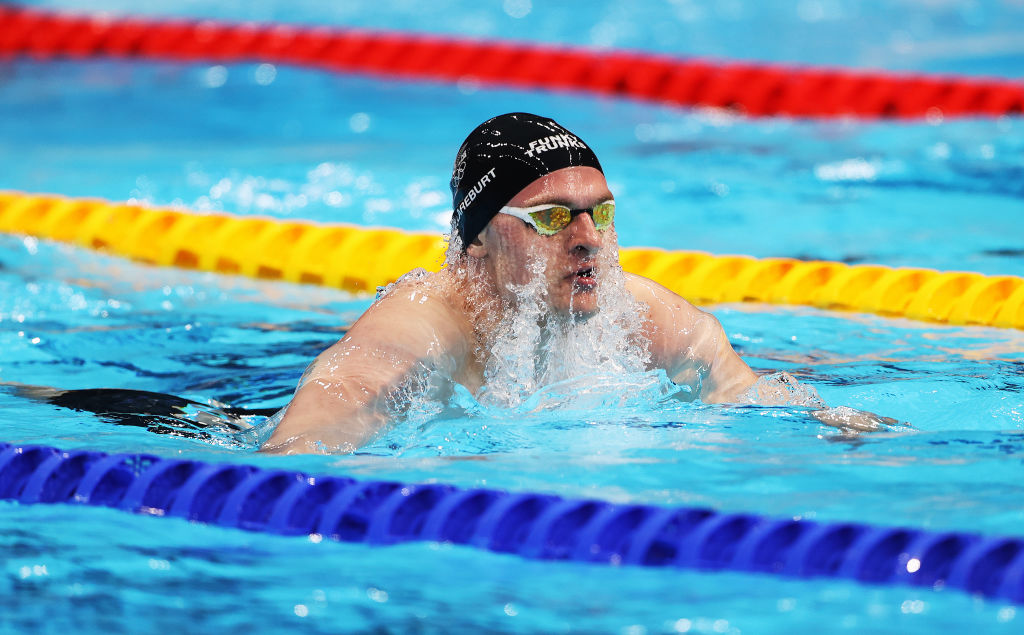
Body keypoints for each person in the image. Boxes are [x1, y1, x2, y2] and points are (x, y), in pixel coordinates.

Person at [263, 112, 893, 454]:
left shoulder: (646, 317)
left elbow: (743, 394)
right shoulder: (425, 325)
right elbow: (320, 422)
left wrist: (839, 423)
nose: (589, 237)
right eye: (552, 217)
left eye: (602, 212)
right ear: (478, 238)